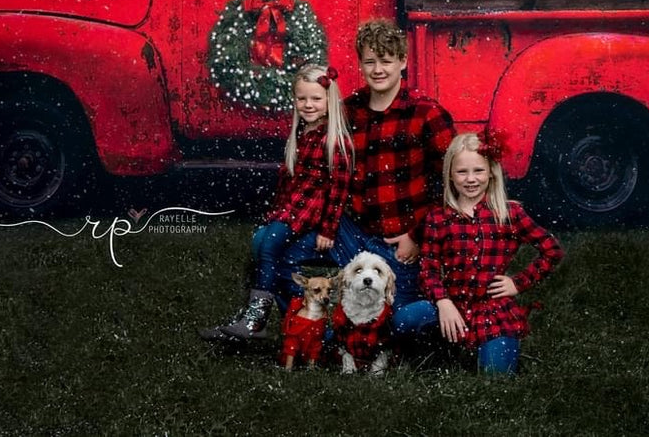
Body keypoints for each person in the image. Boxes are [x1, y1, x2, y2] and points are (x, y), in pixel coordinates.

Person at [276, 19, 456, 311]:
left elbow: (450, 184)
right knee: (280, 252)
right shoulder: (349, 110)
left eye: (386, 61)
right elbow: (314, 157)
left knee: (396, 323)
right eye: (370, 62)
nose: (378, 70)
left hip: (400, 242)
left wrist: (417, 235)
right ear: (360, 64)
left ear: (403, 61)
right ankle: (308, 326)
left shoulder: (426, 113)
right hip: (351, 232)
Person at [200, 64, 353, 340]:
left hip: (308, 214)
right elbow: (288, 183)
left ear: (329, 103)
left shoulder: (334, 141)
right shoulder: (299, 134)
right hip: (289, 209)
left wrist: (328, 230)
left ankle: (256, 318)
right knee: (260, 243)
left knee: (269, 245)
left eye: (316, 99)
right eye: (302, 98)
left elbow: (339, 190)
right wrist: (274, 215)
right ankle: (288, 320)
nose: (308, 105)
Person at [392, 131, 565, 374]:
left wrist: (518, 283)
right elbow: (428, 269)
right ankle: (443, 345)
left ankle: (485, 347)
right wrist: (443, 302)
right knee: (403, 320)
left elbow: (552, 250)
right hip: (452, 302)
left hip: (491, 309)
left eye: (479, 171)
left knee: (497, 378)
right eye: (462, 172)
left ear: (491, 173)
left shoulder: (509, 214)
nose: (471, 179)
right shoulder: (438, 217)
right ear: (450, 175)